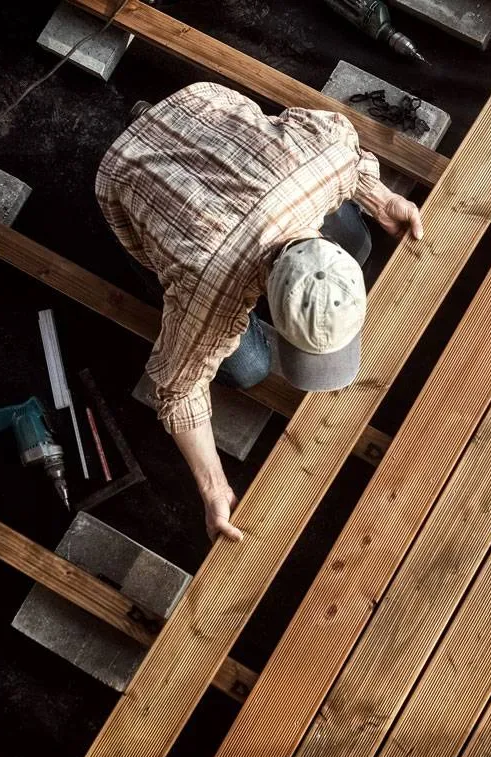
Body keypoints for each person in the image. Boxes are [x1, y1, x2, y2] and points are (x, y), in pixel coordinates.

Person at [96, 82, 423, 542]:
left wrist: (381, 199)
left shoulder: (326, 158)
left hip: (201, 106)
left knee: (361, 239)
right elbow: (177, 389)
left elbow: (348, 159)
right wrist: (212, 489)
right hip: (129, 173)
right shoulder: (210, 288)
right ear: (267, 293)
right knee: (248, 367)